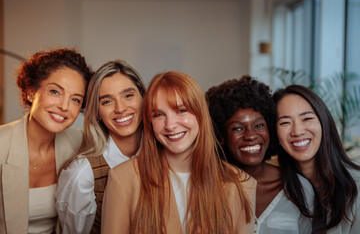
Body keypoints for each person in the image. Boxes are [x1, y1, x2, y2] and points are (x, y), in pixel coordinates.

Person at [102, 71, 256, 234]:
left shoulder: (242, 185)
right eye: (159, 114)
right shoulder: (123, 179)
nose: (170, 125)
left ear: (200, 113)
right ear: (150, 123)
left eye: (181, 110)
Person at [0, 48, 93, 234]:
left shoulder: (80, 144)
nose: (64, 106)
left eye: (75, 99)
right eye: (55, 92)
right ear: (31, 92)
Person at [206, 76, 313, 234]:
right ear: (221, 136)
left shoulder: (298, 188)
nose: (251, 135)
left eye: (259, 125)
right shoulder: (206, 188)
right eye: (238, 128)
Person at [56, 60, 146, 233]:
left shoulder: (164, 154)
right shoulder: (82, 174)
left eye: (128, 95)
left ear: (143, 98)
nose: (120, 108)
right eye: (107, 102)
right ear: (97, 112)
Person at [273, 84, 360, 233]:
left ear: (323, 122)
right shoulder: (273, 186)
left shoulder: (356, 185)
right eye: (285, 122)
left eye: (306, 118)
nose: (298, 131)